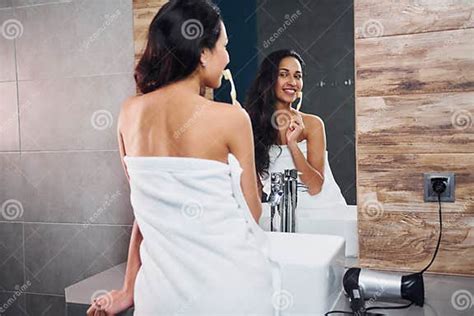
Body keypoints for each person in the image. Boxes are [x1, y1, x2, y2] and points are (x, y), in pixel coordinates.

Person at [87, 0, 279, 315]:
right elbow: (252, 213)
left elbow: (145, 212)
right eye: (224, 46)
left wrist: (127, 290)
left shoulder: (128, 113)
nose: (228, 57)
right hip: (231, 295)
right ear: (203, 53)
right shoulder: (231, 119)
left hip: (160, 301)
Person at [244, 50, 347, 225]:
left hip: (325, 213)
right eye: (284, 74)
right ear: (269, 79)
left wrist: (293, 145)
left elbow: (315, 187)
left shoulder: (312, 124)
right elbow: (257, 190)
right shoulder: (252, 125)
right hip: (281, 217)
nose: (292, 82)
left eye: (297, 76)